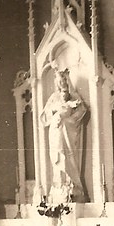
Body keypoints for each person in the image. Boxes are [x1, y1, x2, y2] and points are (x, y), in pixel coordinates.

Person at [40, 67, 89, 200]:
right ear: (56, 82)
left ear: (67, 80)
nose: (61, 83)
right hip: (55, 131)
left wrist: (68, 120)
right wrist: (55, 112)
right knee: (57, 159)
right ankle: (59, 186)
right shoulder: (53, 98)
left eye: (63, 80)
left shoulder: (74, 96)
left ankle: (72, 186)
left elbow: (82, 111)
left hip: (69, 133)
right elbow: (44, 117)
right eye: (59, 80)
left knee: (69, 158)